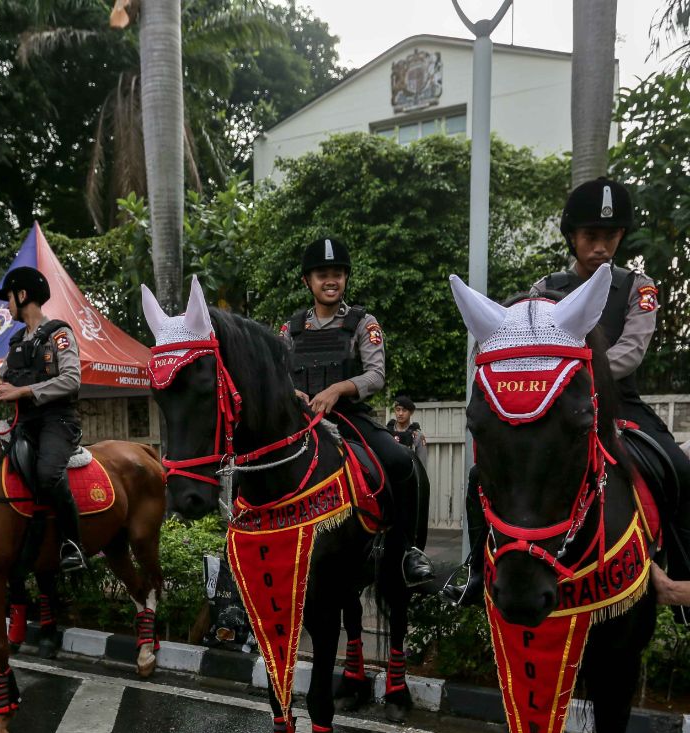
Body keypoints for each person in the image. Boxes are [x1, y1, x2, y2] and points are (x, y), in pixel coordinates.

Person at [449, 177, 690, 618]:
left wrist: (576, 373)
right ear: (573, 238)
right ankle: (476, 572)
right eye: (590, 237)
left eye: (609, 237)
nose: (600, 246)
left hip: (619, 402)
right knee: (480, 475)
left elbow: (633, 351)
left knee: (678, 467)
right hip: (554, 405)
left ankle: (678, 579)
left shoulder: (639, 287)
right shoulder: (546, 286)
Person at [281, 237, 433, 585]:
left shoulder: (365, 323)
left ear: (346, 278)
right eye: (322, 275)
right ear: (307, 281)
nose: (330, 280)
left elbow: (376, 374)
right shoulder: (289, 329)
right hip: (302, 420)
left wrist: (337, 389)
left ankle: (407, 551)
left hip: (350, 417)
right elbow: (276, 374)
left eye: (337, 274)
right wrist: (294, 393)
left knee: (400, 463)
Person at [0, 265, 86, 572]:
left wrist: (21, 392)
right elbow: (4, 376)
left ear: (22, 295)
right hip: (25, 422)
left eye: (8, 299)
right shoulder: (16, 341)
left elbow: (72, 380)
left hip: (58, 420)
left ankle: (73, 544)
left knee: (47, 474)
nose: (7, 307)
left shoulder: (59, 333)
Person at [387, 395, 426, 464]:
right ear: (394, 411)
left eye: (404, 410)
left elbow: (421, 465)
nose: (400, 413)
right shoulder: (386, 432)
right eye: (398, 410)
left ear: (411, 412)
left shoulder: (418, 436)